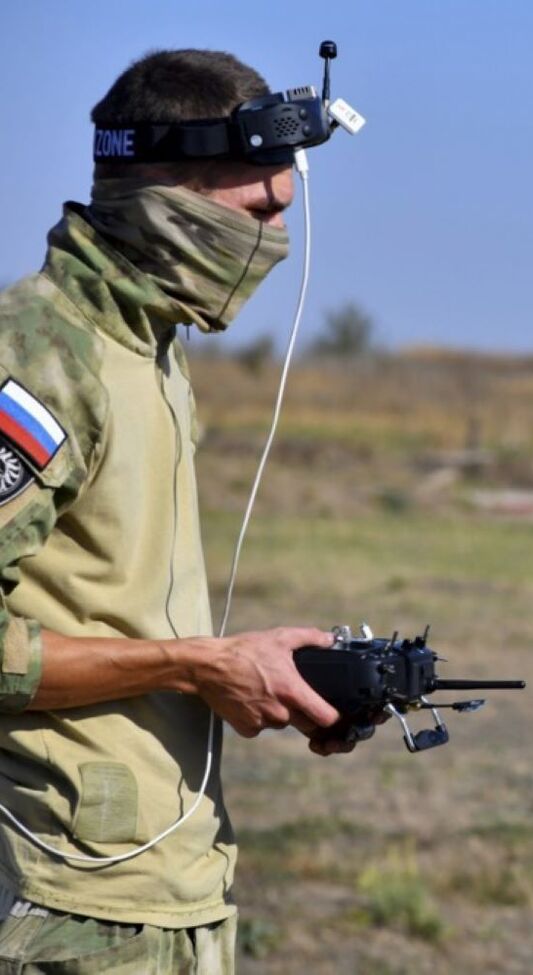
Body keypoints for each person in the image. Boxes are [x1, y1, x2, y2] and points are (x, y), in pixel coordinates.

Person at [0, 49, 346, 970]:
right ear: (173, 199)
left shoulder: (150, 346)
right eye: (261, 211)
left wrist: (269, 676)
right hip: (65, 902)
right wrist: (197, 664)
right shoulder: (42, 359)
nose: (278, 241)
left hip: (170, 885)